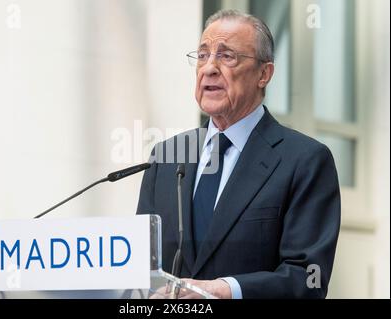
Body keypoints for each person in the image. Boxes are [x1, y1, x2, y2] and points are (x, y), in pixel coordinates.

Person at [137, 10, 340, 299]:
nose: (209, 68)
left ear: (264, 74)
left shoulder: (305, 161)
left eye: (227, 56)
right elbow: (141, 269)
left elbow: (307, 278)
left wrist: (225, 291)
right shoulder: (167, 156)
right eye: (203, 55)